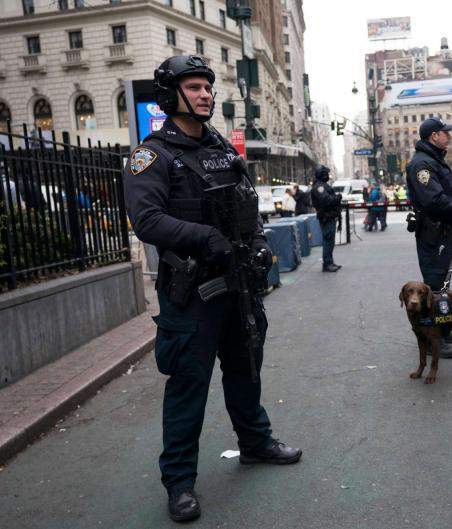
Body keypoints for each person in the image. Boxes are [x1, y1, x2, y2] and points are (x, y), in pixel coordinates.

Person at [123, 55, 301, 522]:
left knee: (246, 370)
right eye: (195, 87)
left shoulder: (222, 149)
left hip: (239, 286)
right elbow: (147, 221)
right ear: (171, 95)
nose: (206, 94)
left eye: (207, 87)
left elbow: (249, 207)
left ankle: (255, 442)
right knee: (189, 388)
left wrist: (260, 246)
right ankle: (179, 482)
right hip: (192, 294)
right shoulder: (152, 156)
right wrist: (207, 239)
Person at [406, 117, 452, 359]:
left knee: (442, 284)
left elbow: (444, 193)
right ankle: (435, 337)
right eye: (445, 132)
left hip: (441, 231)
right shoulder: (422, 165)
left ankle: (442, 329)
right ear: (434, 136)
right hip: (433, 233)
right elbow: (434, 200)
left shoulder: (433, 160)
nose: (449, 136)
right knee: (434, 287)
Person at [310, 165, 342, 272]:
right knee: (328, 240)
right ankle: (327, 263)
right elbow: (326, 200)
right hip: (326, 217)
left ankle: (330, 262)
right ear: (322, 175)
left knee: (330, 241)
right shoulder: (319, 187)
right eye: (326, 174)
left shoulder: (322, 185)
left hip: (329, 216)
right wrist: (337, 198)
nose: (328, 175)